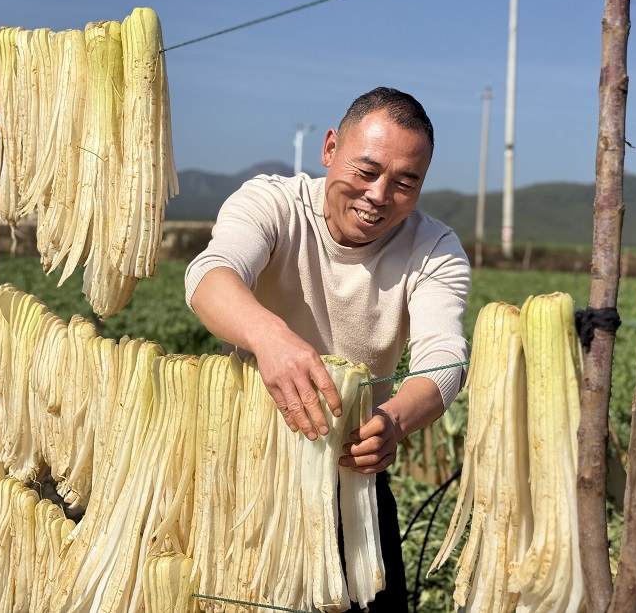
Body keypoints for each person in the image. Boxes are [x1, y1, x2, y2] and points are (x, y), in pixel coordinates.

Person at [184, 86, 471, 611]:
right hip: (241, 468)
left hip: (351, 478)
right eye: (367, 170)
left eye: (405, 182)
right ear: (330, 148)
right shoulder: (274, 203)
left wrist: (393, 422)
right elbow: (211, 275)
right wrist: (269, 337)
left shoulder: (433, 248)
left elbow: (444, 357)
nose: (379, 195)